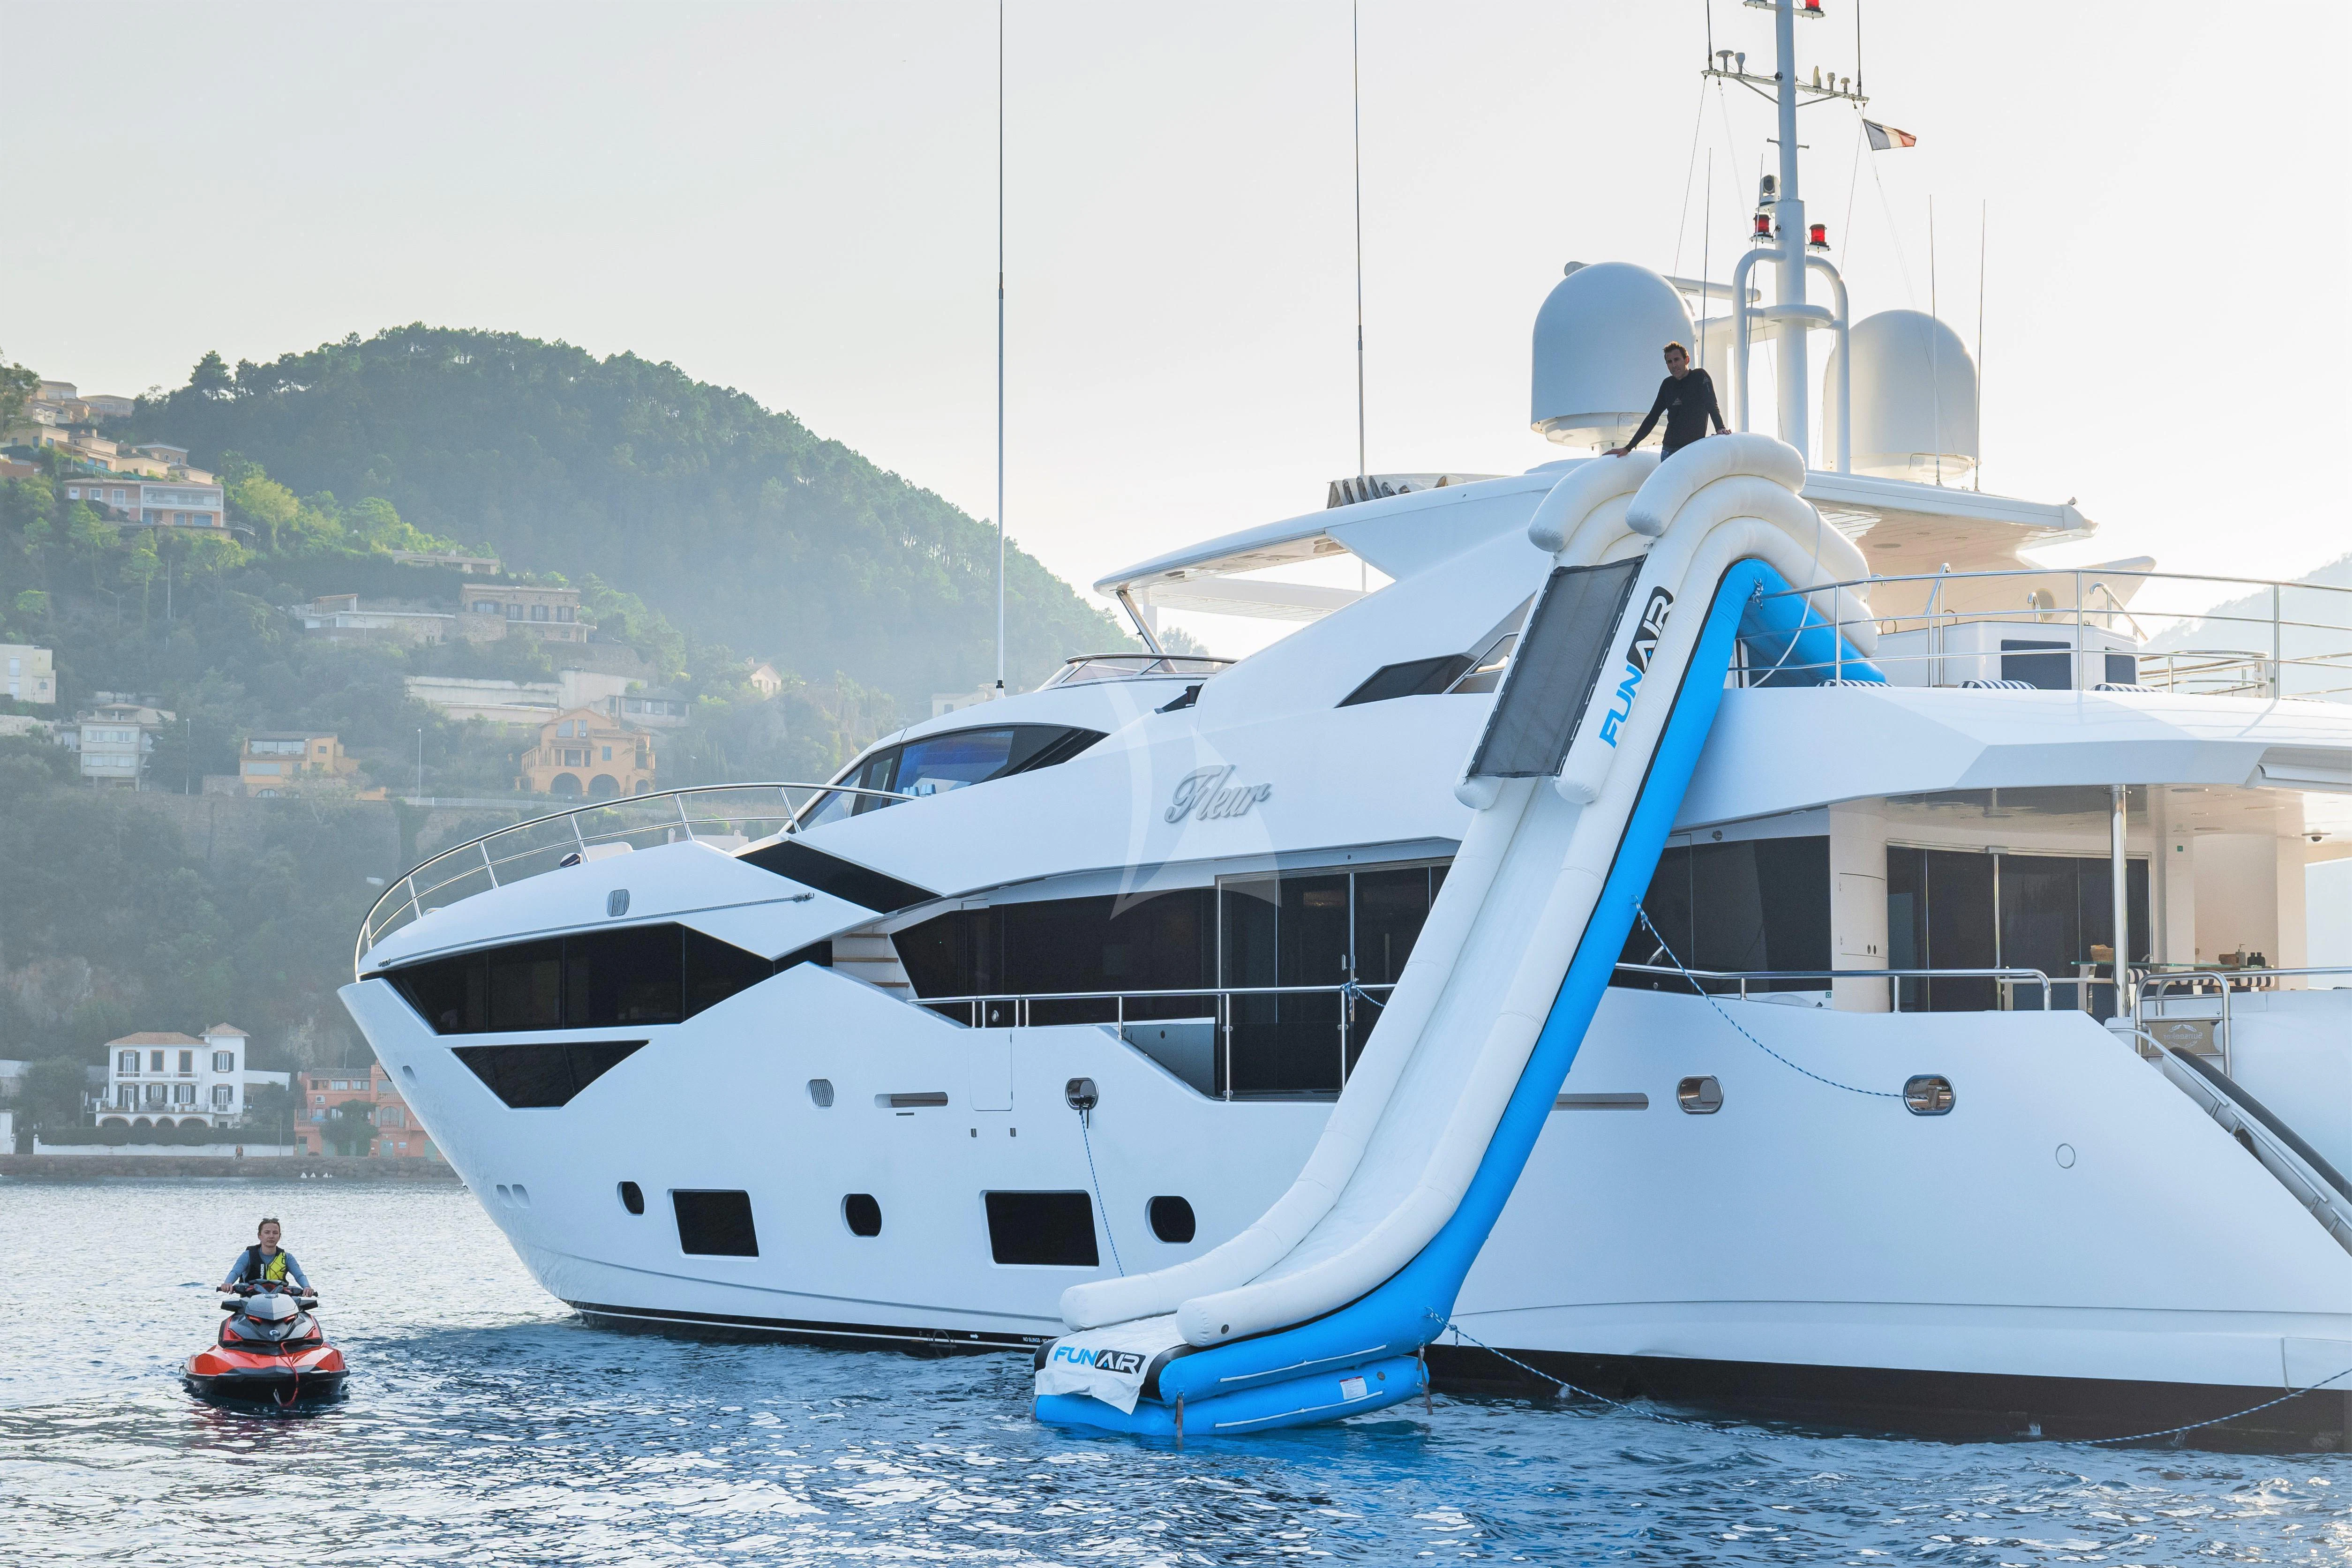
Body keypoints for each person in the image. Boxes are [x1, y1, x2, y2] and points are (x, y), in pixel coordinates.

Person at [1606, 341, 1727, 460]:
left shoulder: (1700, 377)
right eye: (1670, 362)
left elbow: (1712, 405)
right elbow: (1652, 418)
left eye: (1677, 360)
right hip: (1669, 451)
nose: (1674, 365)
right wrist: (1628, 447)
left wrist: (1720, 428)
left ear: (1687, 360)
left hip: (1692, 449)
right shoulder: (1667, 385)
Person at [218, 1216, 316, 1297]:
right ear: (259, 1236)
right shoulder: (248, 1255)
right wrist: (228, 1283)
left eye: (275, 1233)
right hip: (251, 1301)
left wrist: (307, 1287)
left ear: (279, 1236)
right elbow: (235, 1272)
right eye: (267, 1233)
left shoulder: (287, 1258)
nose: (271, 1236)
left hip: (279, 1302)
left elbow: (299, 1276)